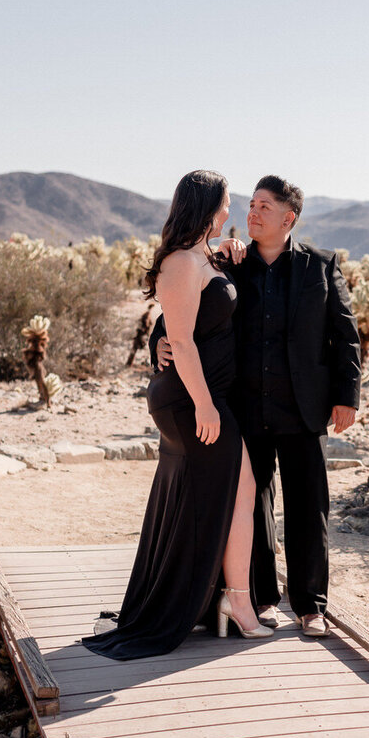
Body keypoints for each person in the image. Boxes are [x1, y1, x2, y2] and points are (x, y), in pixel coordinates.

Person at [157, 175, 360, 638]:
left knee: (310, 507)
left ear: (289, 218)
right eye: (250, 205)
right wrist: (158, 345)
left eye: (264, 207)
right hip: (247, 406)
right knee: (254, 503)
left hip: (303, 408)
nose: (252, 213)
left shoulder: (320, 266)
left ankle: (311, 606)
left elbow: (346, 335)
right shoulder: (231, 263)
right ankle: (263, 597)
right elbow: (185, 308)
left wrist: (346, 396)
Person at [84, 170, 270, 660]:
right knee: (237, 490)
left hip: (204, 395)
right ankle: (237, 605)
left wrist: (228, 253)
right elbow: (181, 339)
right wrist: (206, 404)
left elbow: (177, 326)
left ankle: (232, 601)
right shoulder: (181, 263)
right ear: (209, 204)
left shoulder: (200, 256)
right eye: (228, 202)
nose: (233, 210)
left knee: (238, 490)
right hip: (192, 400)